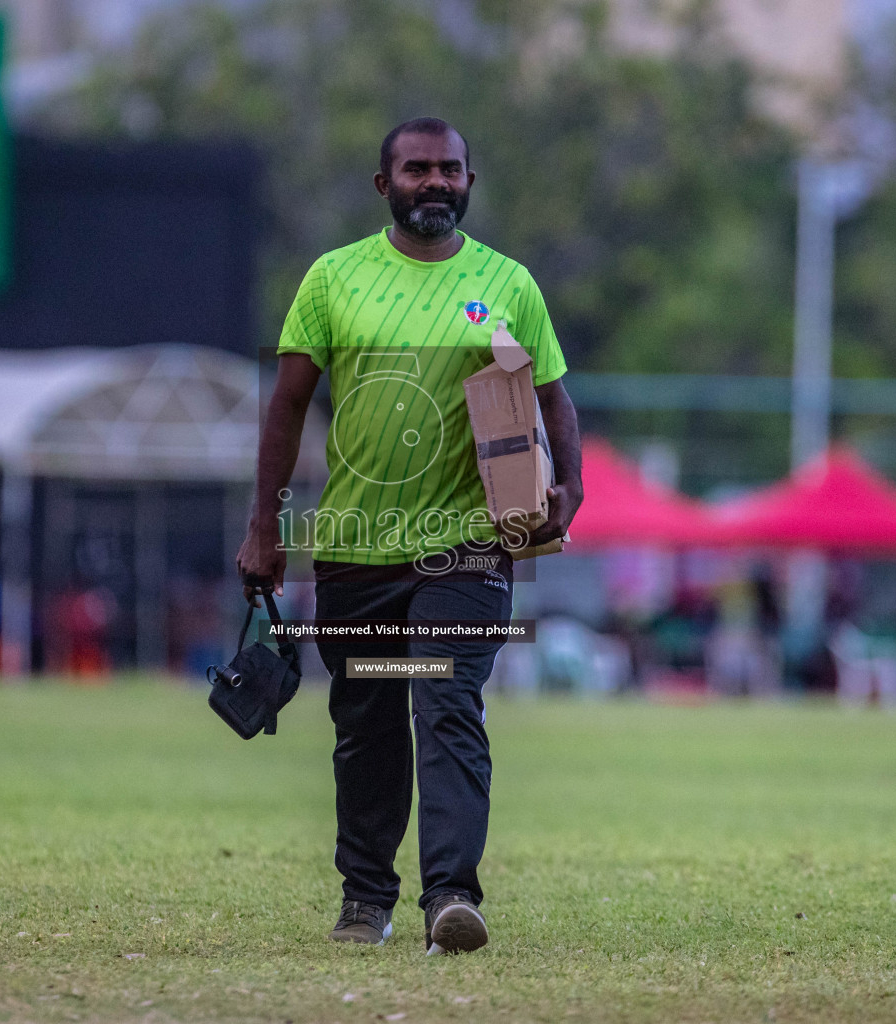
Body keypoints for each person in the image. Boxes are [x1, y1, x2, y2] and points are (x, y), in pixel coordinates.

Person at [236, 117, 582, 954]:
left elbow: (554, 398)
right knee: (368, 722)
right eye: (418, 169)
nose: (437, 183)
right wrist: (264, 526)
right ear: (383, 184)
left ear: (470, 181)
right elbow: (287, 406)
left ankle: (451, 897)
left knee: (446, 698)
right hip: (355, 548)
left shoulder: (508, 283)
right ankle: (366, 899)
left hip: (465, 549)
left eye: (451, 170)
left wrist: (570, 486)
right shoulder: (334, 278)